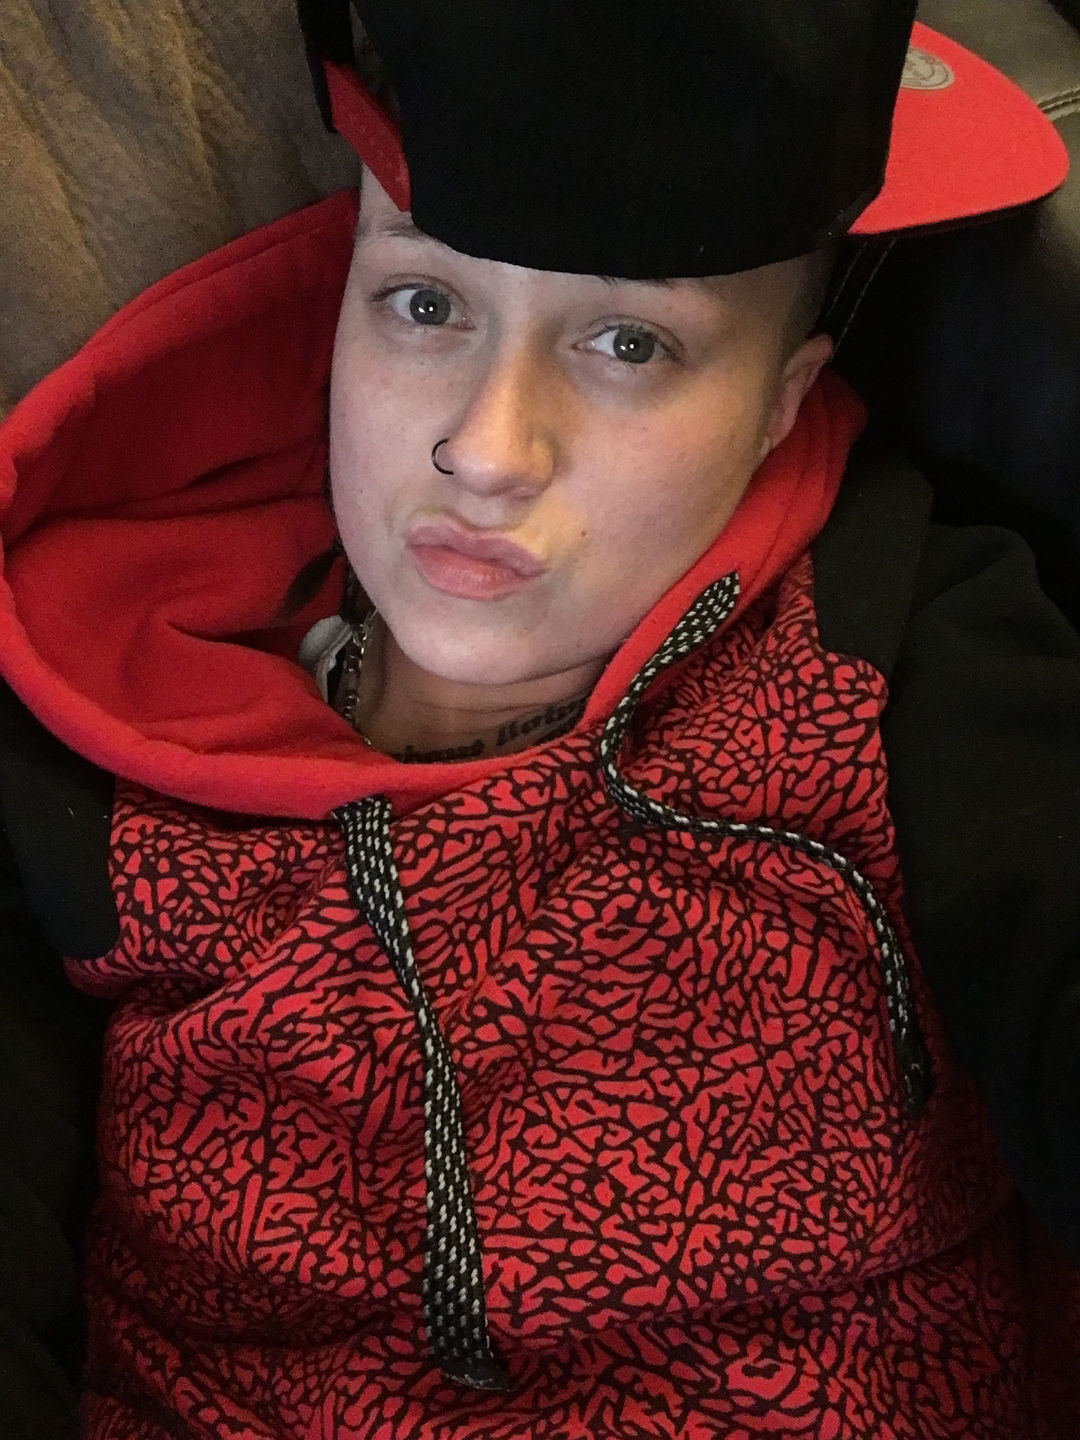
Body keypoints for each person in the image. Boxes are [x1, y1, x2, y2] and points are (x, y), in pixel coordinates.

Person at [0, 0, 1078, 1435]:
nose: (486, 450)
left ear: (780, 402)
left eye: (628, 341)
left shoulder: (904, 646)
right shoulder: (79, 725)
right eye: (425, 304)